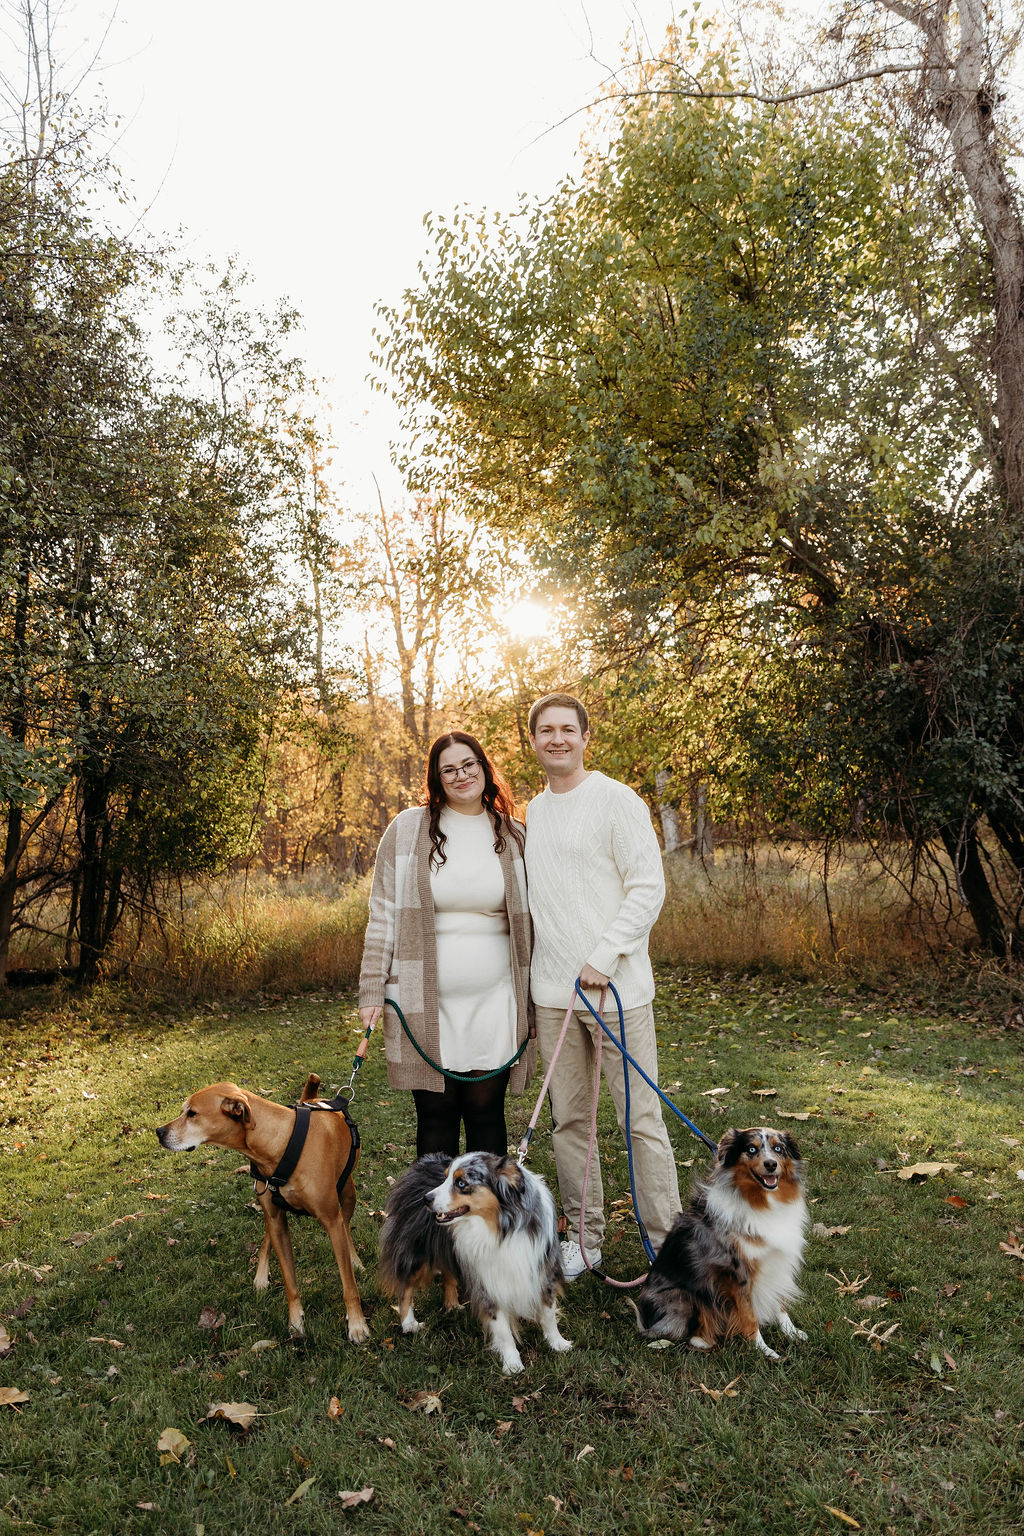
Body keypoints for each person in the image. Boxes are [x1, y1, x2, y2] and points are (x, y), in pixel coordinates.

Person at [524, 692, 681, 1279]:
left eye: (568, 729)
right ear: (533, 741)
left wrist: (605, 954)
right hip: (553, 996)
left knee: (640, 1119)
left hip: (618, 992)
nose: (558, 739)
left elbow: (647, 887)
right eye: (546, 730)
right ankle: (583, 1238)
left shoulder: (617, 800)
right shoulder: (532, 816)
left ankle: (666, 1244)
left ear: (586, 738)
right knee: (570, 1121)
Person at [358, 732, 535, 1159]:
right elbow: (381, 913)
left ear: (484, 767)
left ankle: (487, 1221)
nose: (461, 776)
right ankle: (433, 1224)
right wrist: (371, 990)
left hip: (496, 999)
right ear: (437, 779)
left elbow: (539, 916)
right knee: (435, 1115)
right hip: (422, 999)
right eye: (449, 769)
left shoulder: (514, 835)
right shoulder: (406, 830)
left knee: (485, 1112)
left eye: (469, 764)